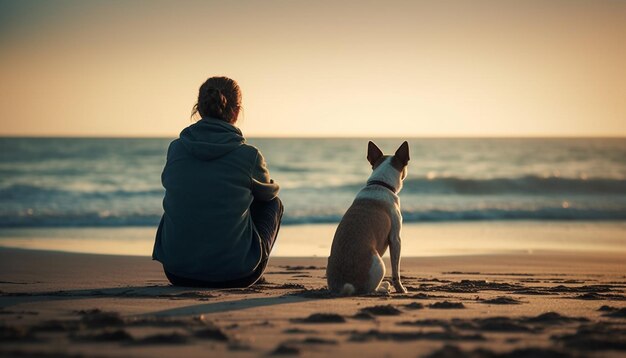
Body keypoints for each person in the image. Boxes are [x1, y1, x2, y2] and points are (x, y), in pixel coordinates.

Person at [152, 76, 283, 288]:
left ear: (199, 109)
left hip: (177, 272)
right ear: (237, 111)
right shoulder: (249, 155)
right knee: (272, 203)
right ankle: (247, 261)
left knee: (186, 197)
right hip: (237, 276)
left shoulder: (176, 149)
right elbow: (270, 194)